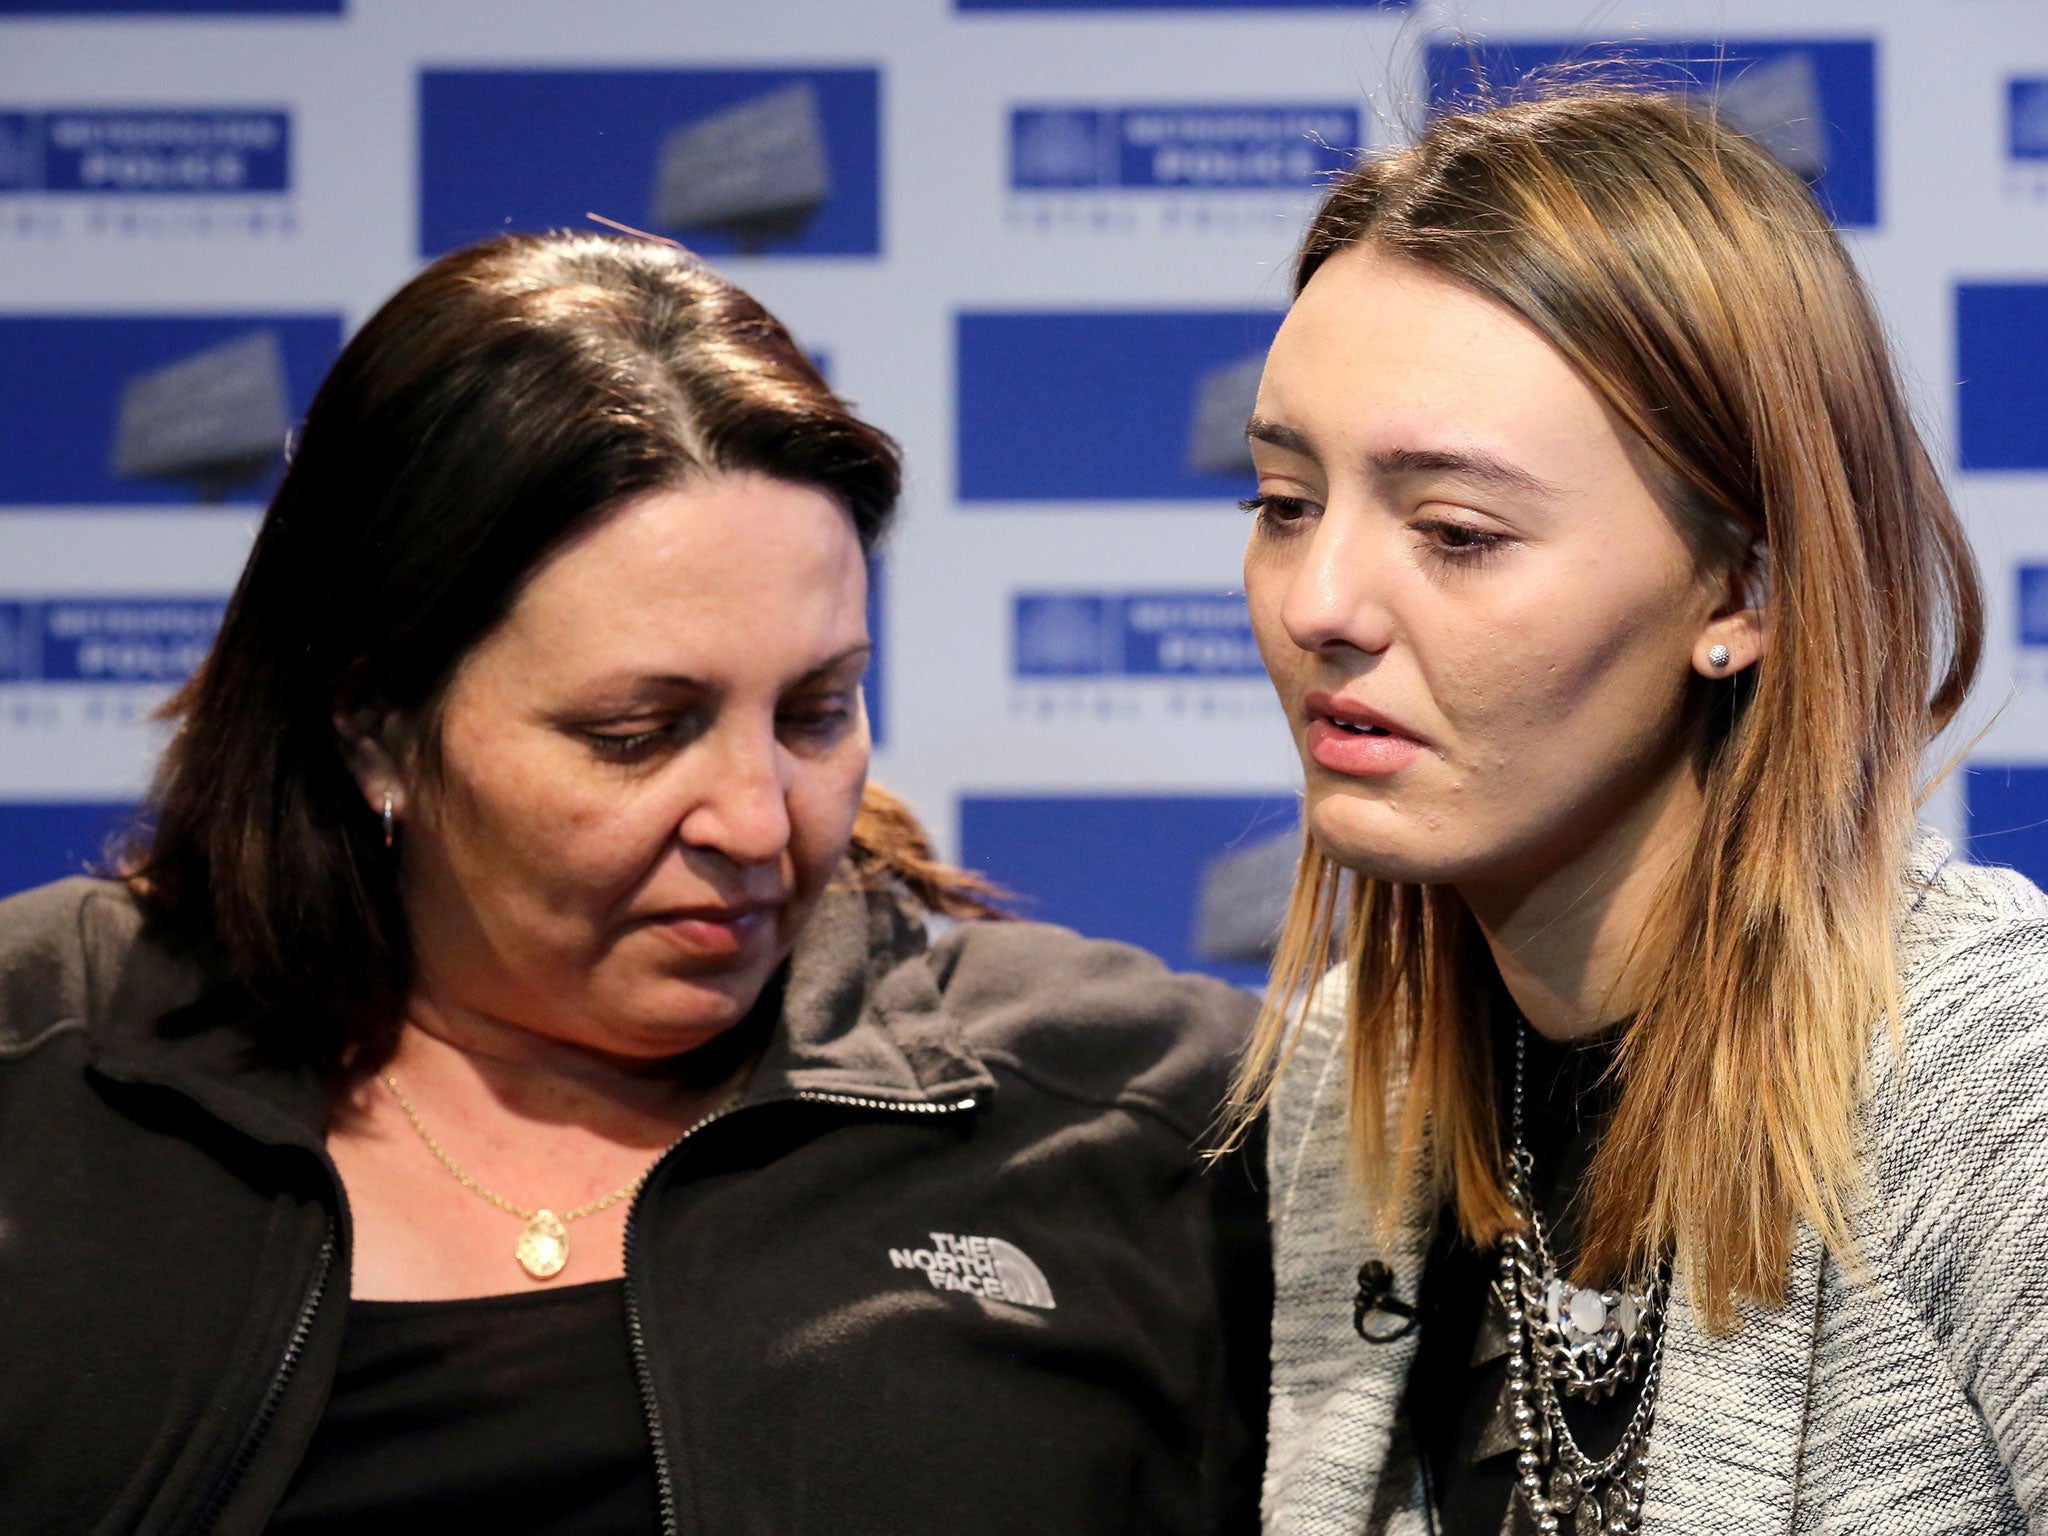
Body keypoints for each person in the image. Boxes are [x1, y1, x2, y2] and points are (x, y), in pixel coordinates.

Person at [0, 232, 1268, 1535]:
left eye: (817, 710)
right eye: (638, 733)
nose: (757, 816)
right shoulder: (40, 1070)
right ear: (374, 724)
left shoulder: (1139, 1115)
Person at [1227, 86, 2048, 1535]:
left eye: (1456, 534)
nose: (1319, 603)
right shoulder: (1341, 1085)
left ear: (1743, 591)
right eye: (1285, 500)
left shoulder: (1995, 1080)